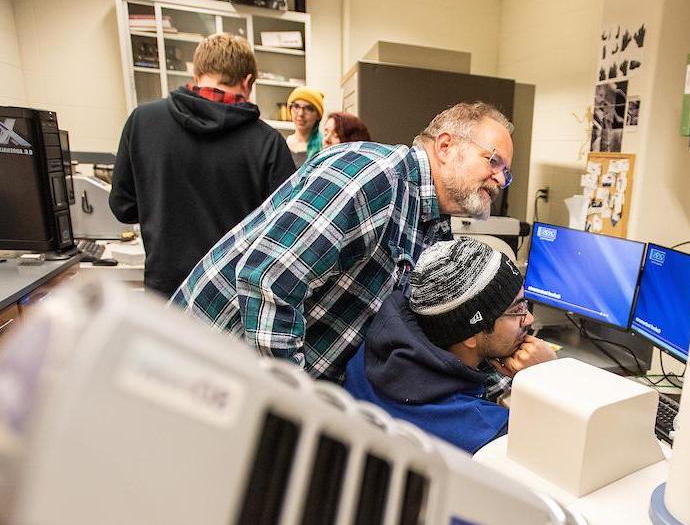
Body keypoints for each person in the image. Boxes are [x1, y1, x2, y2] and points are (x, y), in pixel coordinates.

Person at [172, 101, 515, 384]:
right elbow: (268, 281)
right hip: (206, 369)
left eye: (507, 172)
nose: (501, 179)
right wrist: (292, 402)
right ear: (445, 146)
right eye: (494, 160)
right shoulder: (373, 176)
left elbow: (432, 330)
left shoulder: (434, 224)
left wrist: (512, 375)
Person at [109, 33, 294, 298]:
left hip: (166, 294)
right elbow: (284, 231)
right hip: (231, 301)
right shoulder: (267, 142)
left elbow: (123, 207)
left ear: (196, 75)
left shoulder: (143, 122)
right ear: (248, 81)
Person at [344, 238, 556, 453]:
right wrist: (548, 378)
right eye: (516, 309)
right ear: (470, 335)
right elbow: (561, 451)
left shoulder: (371, 354)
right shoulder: (484, 430)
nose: (528, 318)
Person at [285, 86, 325, 168]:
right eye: (296, 106)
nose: (300, 113)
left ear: (318, 115)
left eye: (308, 108)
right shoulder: (281, 145)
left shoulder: (324, 147)